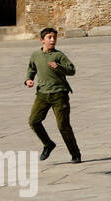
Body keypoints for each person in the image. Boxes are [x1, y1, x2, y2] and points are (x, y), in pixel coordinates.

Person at [24, 27, 82, 163]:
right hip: (42, 95)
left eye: (54, 37)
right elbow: (31, 69)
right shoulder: (35, 55)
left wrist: (59, 67)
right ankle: (48, 144)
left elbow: (72, 70)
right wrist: (28, 80)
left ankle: (75, 154)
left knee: (63, 126)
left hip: (59, 94)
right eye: (49, 37)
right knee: (33, 121)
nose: (53, 40)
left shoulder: (59, 56)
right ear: (42, 40)